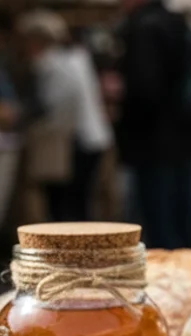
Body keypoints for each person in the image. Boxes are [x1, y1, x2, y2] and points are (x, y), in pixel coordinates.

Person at [116, 0, 191, 249]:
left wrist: (120, 93)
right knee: (187, 216)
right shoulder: (177, 24)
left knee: (161, 224)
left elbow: (146, 90)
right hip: (185, 137)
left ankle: (174, 279)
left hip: (153, 142)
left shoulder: (146, 27)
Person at [20, 12, 82, 223]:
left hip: (55, 137)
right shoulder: (69, 61)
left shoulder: (48, 64)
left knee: (56, 200)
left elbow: (45, 105)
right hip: (63, 136)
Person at [62, 29, 114, 221]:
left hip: (84, 137)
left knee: (78, 195)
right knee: (85, 195)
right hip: (96, 135)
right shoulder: (82, 60)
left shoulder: (69, 63)